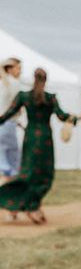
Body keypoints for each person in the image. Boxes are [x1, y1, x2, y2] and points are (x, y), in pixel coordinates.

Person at [0, 68, 81, 224]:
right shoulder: (50, 98)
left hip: (30, 137)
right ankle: (33, 207)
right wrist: (75, 118)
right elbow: (62, 116)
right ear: (46, 80)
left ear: (33, 78)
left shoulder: (24, 96)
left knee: (27, 173)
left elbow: (7, 114)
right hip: (45, 139)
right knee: (43, 175)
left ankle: (26, 206)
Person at [0, 57, 23, 185]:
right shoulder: (13, 83)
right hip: (7, 124)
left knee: (5, 157)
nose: (20, 71)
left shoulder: (4, 83)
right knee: (11, 161)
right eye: (18, 68)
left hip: (5, 124)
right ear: (10, 69)